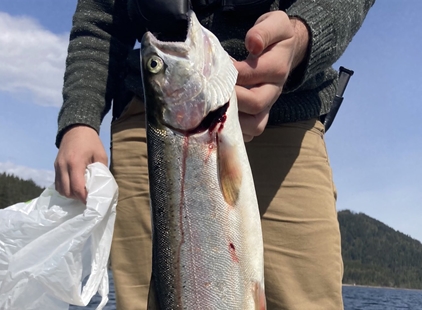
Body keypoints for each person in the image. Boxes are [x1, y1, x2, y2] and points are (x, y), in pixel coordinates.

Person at [54, 0, 375, 308]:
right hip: (155, 123)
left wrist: (303, 34)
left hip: (289, 118)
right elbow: (99, 12)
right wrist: (79, 118)